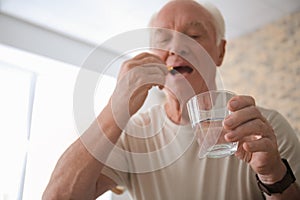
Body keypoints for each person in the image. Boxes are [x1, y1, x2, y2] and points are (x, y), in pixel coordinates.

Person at [43, 0, 300, 199]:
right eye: (163, 38)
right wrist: (115, 109)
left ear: (220, 51)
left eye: (195, 36)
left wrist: (272, 174)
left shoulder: (266, 130)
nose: (176, 47)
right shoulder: (132, 135)